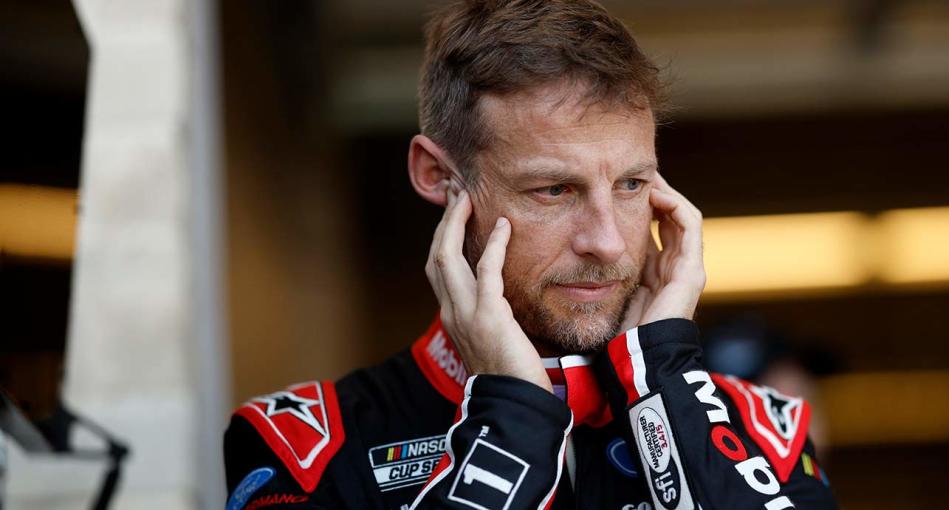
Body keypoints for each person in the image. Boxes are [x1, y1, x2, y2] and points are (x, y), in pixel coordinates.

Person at [223, 1, 838, 509]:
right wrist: (513, 416)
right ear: (438, 176)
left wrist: (665, 381)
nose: (608, 240)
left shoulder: (770, 428)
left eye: (630, 185)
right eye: (554, 189)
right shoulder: (299, 443)